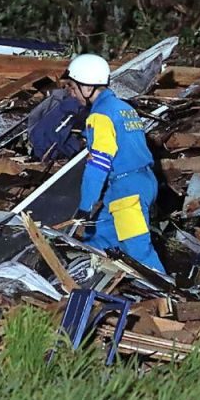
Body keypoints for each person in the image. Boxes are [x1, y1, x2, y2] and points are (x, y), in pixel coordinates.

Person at [66, 53, 166, 274]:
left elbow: (98, 164)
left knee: (138, 251)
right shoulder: (124, 108)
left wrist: (85, 206)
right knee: (99, 236)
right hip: (140, 182)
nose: (72, 95)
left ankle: (169, 298)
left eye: (73, 88)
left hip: (127, 191)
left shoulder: (100, 116)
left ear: (87, 87)